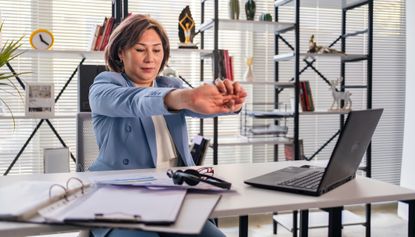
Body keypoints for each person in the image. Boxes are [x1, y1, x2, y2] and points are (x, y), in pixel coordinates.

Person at [88, 14, 247, 237]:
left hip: (174, 193)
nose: (150, 58)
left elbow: (196, 105)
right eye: (140, 49)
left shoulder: (170, 85)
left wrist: (228, 103)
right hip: (120, 198)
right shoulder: (104, 85)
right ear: (121, 53)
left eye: (156, 49)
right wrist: (182, 98)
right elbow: (136, 101)